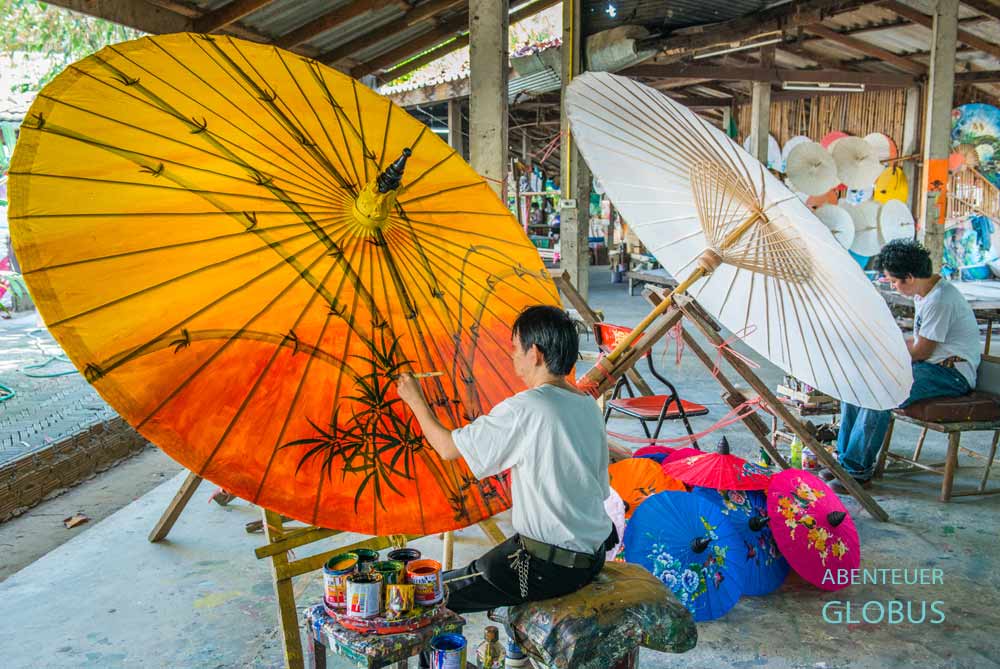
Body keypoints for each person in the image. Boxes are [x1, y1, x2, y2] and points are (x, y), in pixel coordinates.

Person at [396, 305, 613, 666]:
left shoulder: (529, 407)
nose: (512, 357)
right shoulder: (586, 405)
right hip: (591, 555)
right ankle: (515, 655)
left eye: (515, 348)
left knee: (429, 595)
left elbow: (449, 448)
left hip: (552, 566)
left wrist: (414, 399)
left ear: (536, 354)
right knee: (477, 569)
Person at [829, 239, 981, 493]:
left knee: (883, 389)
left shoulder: (940, 300)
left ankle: (857, 472)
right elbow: (919, 342)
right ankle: (845, 463)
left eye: (893, 281)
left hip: (951, 375)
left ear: (909, 277)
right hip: (934, 366)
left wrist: (884, 356)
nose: (894, 287)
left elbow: (921, 351)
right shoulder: (927, 294)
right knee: (857, 382)